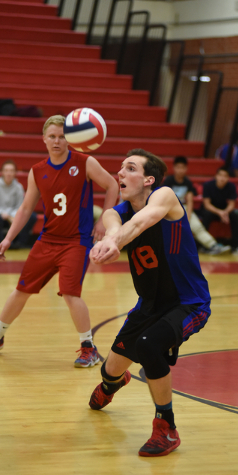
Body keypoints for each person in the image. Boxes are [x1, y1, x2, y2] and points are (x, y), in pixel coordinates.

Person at [0, 115, 119, 367]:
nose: (57, 141)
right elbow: (26, 208)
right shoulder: (37, 171)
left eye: (62, 136)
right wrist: (8, 238)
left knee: (71, 294)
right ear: (44, 139)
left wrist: (103, 220)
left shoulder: (85, 162)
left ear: (69, 139)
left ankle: (88, 348)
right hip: (47, 240)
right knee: (21, 290)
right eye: (52, 136)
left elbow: (112, 185)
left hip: (76, 241)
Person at [88, 148, 211, 457]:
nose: (120, 173)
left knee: (149, 346)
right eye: (120, 168)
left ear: (148, 179)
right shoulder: (121, 210)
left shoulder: (165, 197)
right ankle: (112, 384)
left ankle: (166, 428)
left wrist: (113, 242)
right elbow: (112, 218)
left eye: (129, 168)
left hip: (187, 303)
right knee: (109, 371)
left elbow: (142, 222)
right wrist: (110, 236)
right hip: (148, 305)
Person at [162, 156, 231, 255]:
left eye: (183, 168)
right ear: (174, 168)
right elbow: (164, 199)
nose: (180, 170)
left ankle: (212, 245)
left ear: (186, 169)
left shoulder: (188, 183)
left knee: (197, 226)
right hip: (169, 209)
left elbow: (190, 201)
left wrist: (188, 217)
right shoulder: (168, 181)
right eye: (178, 167)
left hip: (183, 209)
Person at [0, 160, 37, 248]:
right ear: (2, 172)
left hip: (13, 218)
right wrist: (2, 213)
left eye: (11, 171)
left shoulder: (18, 187)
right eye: (6, 170)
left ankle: (19, 243)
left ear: (15, 173)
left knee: (32, 216)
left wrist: (12, 216)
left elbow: (21, 206)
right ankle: (0, 242)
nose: (9, 173)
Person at [201, 167, 238, 255]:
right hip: (211, 210)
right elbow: (207, 205)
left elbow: (231, 204)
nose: (222, 178)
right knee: (207, 215)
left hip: (224, 210)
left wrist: (225, 212)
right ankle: (204, 245)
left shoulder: (231, 186)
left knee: (235, 215)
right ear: (216, 176)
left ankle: (236, 246)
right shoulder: (208, 185)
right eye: (220, 175)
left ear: (228, 178)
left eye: (225, 176)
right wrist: (220, 212)